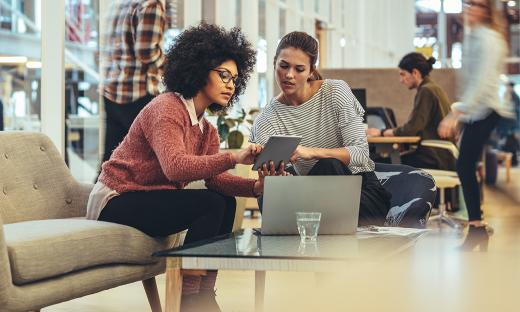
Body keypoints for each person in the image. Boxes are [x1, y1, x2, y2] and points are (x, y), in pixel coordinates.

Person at [87, 23, 284, 311]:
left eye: (234, 79)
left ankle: (203, 291)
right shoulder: (167, 108)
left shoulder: (206, 130)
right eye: (223, 75)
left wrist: (256, 187)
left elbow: (215, 180)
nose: (230, 84)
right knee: (209, 204)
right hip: (117, 199)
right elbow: (175, 168)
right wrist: (233, 157)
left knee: (224, 202)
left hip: (147, 197)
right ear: (200, 69)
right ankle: (188, 297)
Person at [250, 31, 391, 226]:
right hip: (311, 198)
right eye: (283, 66)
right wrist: (272, 176)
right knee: (269, 196)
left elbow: (360, 153)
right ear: (274, 62)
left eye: (299, 69)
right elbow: (280, 180)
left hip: (361, 196)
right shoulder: (266, 119)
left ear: (310, 70)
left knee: (328, 165)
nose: (289, 75)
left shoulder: (335, 92)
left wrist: (309, 153)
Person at [438, 0, 513, 233]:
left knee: (466, 165)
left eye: (477, 5)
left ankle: (478, 226)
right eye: (468, 4)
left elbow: (480, 82)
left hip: (488, 110)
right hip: (478, 111)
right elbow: (469, 83)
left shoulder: (489, 39)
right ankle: (476, 226)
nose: (470, 9)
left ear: (487, 11)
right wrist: (462, 115)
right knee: (467, 165)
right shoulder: (473, 37)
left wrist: (456, 113)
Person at [99, 0, 166, 173]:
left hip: (112, 90)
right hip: (138, 93)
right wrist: (170, 64)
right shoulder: (151, 4)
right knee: (147, 164)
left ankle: (99, 197)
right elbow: (147, 52)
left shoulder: (118, 3)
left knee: (112, 159)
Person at [367, 52, 455, 170]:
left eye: (403, 74)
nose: (401, 80)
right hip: (441, 155)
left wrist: (381, 132)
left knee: (375, 164)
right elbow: (419, 127)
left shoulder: (426, 91)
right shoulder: (433, 88)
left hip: (434, 157)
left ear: (415, 73)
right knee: (384, 161)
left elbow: (412, 128)